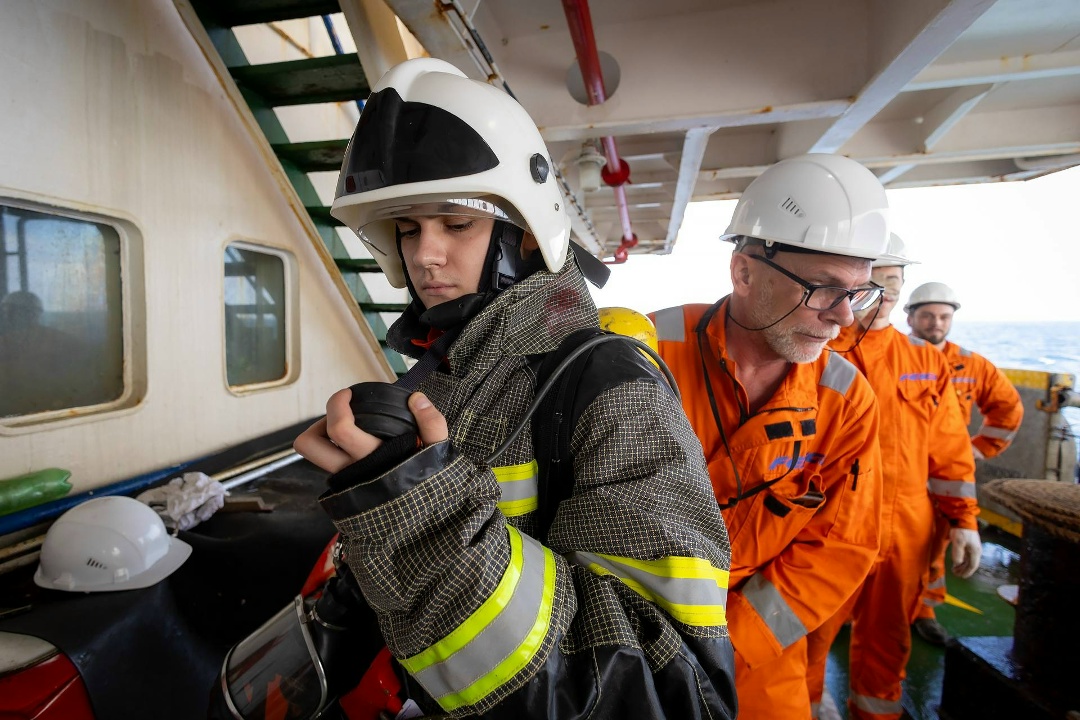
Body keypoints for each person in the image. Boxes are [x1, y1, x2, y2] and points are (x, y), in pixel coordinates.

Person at [284, 58, 737, 719]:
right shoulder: (443, 377)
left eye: (455, 224)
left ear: (526, 232)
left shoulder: (612, 386)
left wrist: (416, 515)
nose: (424, 254)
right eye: (408, 228)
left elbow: (670, 693)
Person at [649, 152, 890, 719]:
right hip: (631, 635)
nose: (844, 317)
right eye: (824, 288)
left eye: (858, 291)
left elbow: (841, 546)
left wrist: (726, 646)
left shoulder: (845, 399)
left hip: (755, 661)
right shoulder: (643, 352)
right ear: (744, 271)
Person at [805, 236, 982, 720]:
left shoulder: (926, 361)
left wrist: (964, 521)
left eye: (893, 283)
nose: (882, 295)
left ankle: (875, 713)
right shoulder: (813, 351)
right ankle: (806, 706)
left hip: (905, 529)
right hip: (826, 528)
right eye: (872, 282)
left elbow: (949, 447)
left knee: (889, 638)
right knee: (809, 633)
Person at [905, 281, 1023, 646]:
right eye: (927, 315)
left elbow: (1008, 408)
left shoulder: (972, 365)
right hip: (901, 467)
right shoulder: (895, 355)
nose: (936, 323)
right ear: (910, 316)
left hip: (946, 474)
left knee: (935, 545)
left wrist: (978, 449)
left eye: (943, 316)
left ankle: (925, 611)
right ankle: (855, 610)